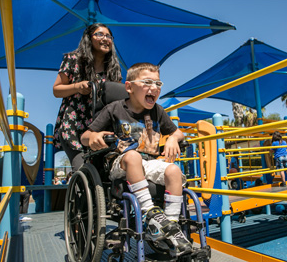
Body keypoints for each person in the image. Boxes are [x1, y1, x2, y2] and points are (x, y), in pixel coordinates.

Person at [81, 62, 192, 257]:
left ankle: (170, 228)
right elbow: (85, 136)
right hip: (121, 163)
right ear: (129, 87)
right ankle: (150, 213)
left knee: (173, 170)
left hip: (148, 163)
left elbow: (179, 132)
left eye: (158, 83)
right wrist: (93, 138)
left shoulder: (157, 111)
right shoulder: (115, 108)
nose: (154, 87)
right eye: (148, 82)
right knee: (132, 156)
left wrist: (173, 138)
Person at [53, 23, 122, 172]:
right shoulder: (73, 59)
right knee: (83, 169)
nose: (105, 39)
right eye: (100, 34)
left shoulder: (114, 68)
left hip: (99, 125)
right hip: (73, 125)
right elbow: (56, 90)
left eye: (108, 36)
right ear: (88, 38)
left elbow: (118, 98)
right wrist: (77, 87)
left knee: (105, 171)